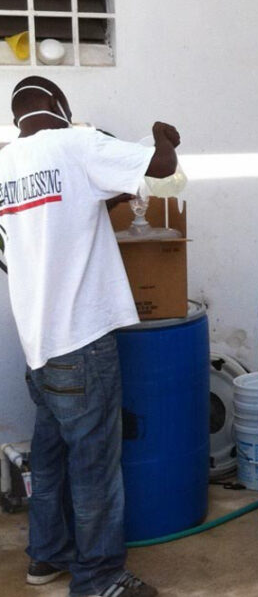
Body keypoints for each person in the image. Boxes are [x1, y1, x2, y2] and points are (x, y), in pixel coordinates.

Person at [1, 76, 180, 597]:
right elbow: (163, 168)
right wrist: (163, 135)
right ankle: (100, 580)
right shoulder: (76, 142)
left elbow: (46, 226)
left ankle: (46, 558)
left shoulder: (6, 165)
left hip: (38, 344)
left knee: (52, 457)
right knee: (95, 467)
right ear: (61, 106)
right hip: (82, 341)